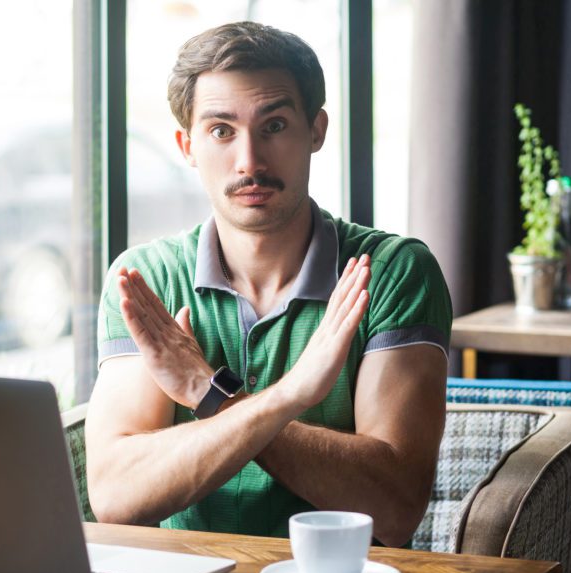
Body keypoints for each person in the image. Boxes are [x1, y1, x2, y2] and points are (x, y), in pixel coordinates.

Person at [85, 21, 451, 546]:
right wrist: (289, 396)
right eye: (221, 131)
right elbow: (117, 496)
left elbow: (393, 507)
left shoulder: (392, 270)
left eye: (274, 126)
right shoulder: (149, 279)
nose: (250, 161)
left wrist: (206, 394)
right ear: (187, 145)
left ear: (316, 130)